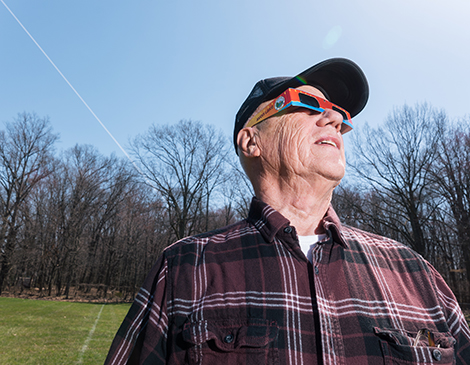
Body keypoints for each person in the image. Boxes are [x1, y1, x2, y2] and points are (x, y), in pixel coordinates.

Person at [105, 58, 470, 364]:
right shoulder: (185, 266)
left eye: (338, 114)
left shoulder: (414, 271)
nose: (333, 121)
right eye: (307, 104)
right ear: (252, 141)